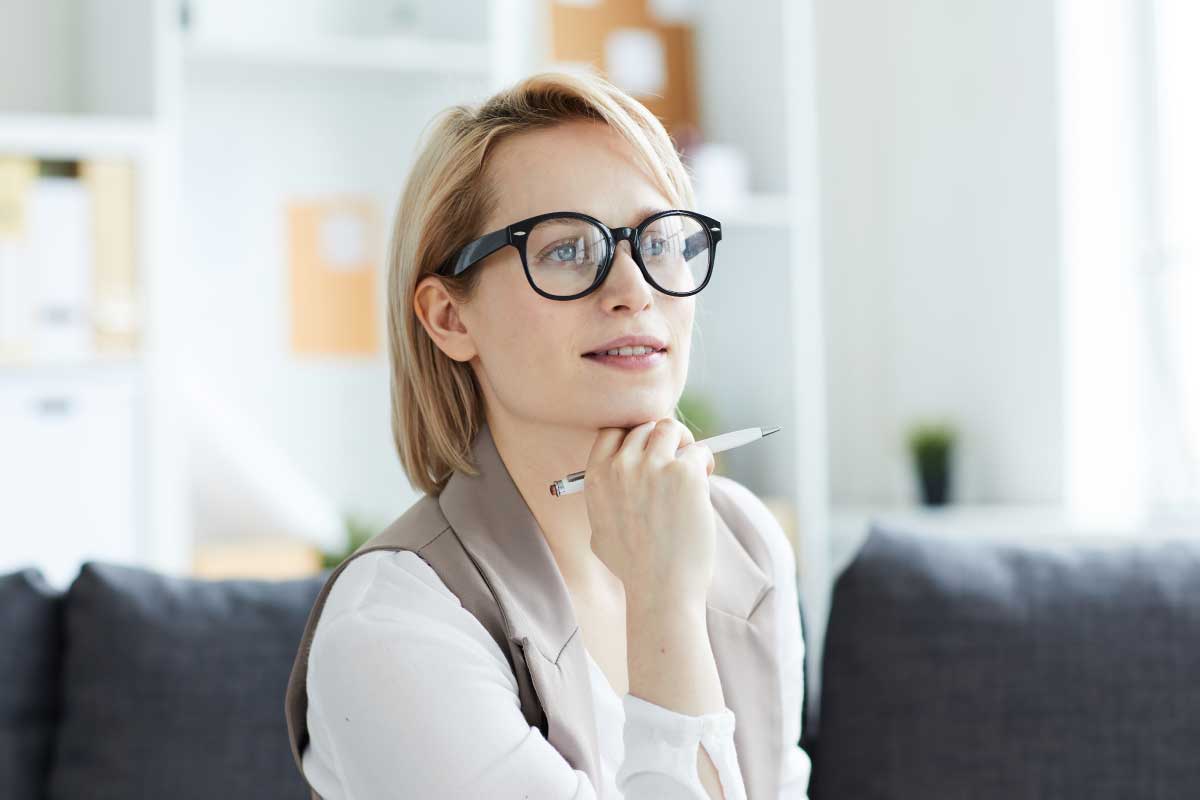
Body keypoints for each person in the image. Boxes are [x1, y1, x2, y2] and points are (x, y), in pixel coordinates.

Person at [284, 70, 812, 799]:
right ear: (450, 318)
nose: (634, 288)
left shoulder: (748, 545)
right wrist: (663, 602)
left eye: (658, 241)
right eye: (567, 250)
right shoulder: (394, 627)